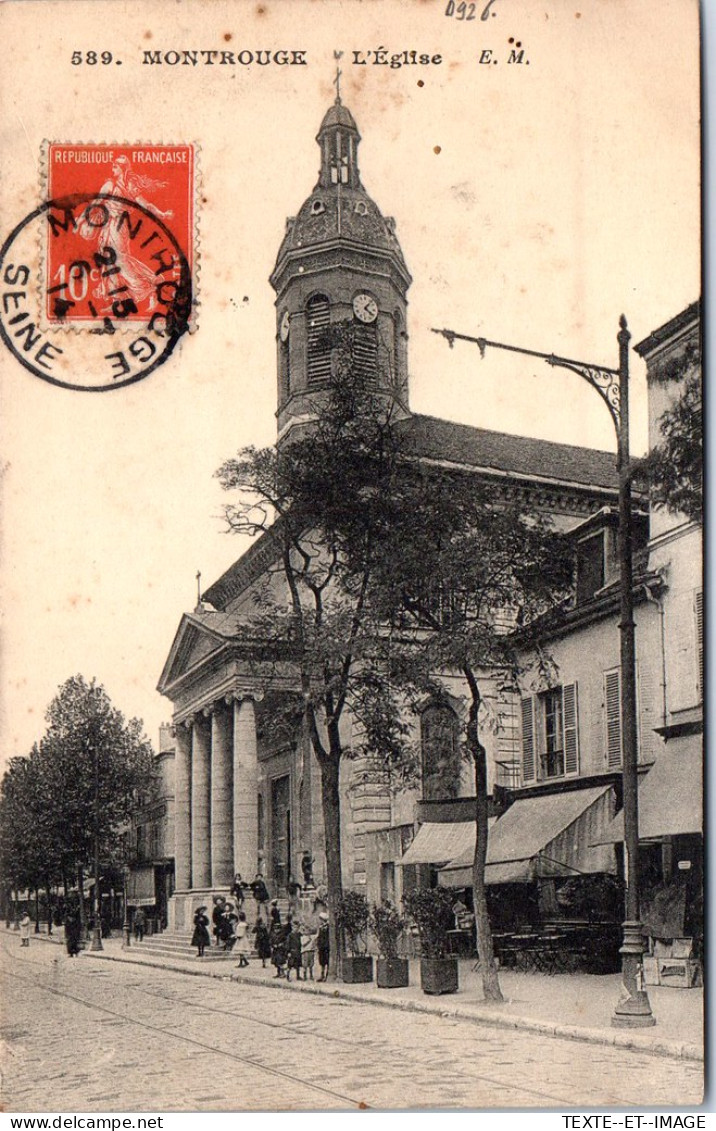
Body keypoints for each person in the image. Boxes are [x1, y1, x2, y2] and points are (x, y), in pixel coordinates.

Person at [317, 911, 330, 981]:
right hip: (321, 947)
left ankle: (327, 975)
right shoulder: (320, 927)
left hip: (326, 947)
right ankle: (322, 975)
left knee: (327, 961)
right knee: (322, 962)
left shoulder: (328, 927)